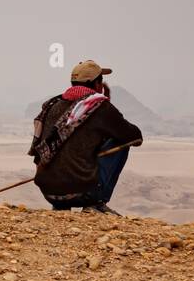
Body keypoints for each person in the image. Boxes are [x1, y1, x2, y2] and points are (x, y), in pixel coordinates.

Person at [28, 60, 142, 214]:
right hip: (84, 193)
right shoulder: (100, 107)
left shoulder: (51, 105)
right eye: (101, 81)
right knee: (119, 141)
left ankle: (61, 206)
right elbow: (135, 137)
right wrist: (107, 105)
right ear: (96, 84)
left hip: (50, 194)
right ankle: (96, 203)